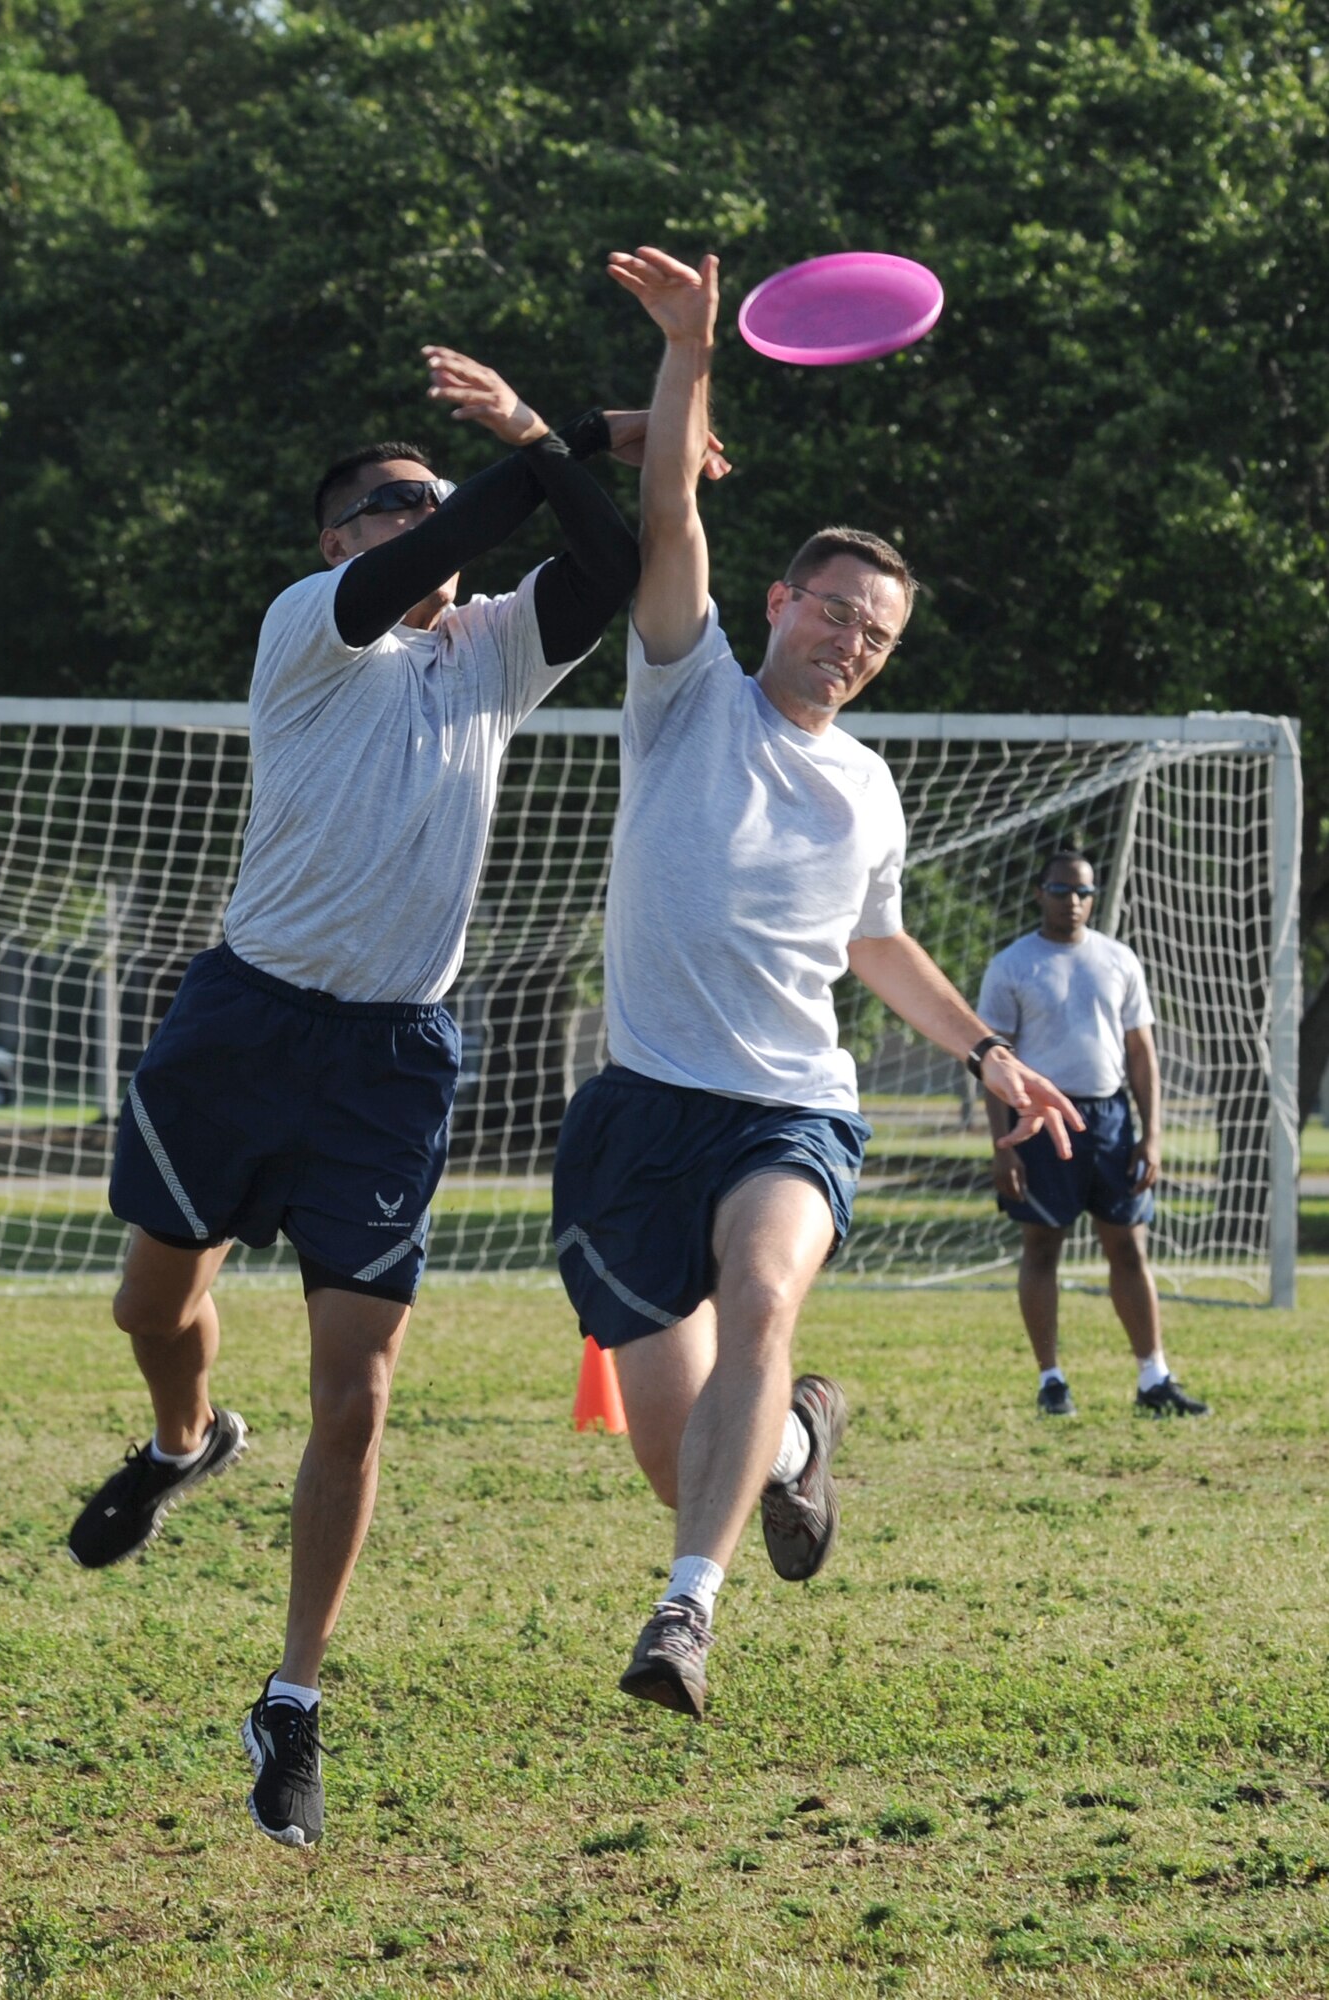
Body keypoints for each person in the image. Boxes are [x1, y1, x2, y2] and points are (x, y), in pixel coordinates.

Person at [66, 345, 667, 1847]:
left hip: (394, 1060)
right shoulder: (310, 632)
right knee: (153, 1310)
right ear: (338, 543)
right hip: (242, 1023)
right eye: (392, 503)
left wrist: (554, 440)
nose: (429, 516)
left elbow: (619, 554)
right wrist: (581, 430)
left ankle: (294, 1702)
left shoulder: (494, 651)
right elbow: (465, 530)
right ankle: (183, 1443)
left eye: (434, 490)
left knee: (362, 1390)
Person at [551, 246, 1086, 1721]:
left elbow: (875, 944)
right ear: (779, 600)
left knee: (766, 1283)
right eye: (836, 613)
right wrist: (690, 350)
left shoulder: (868, 790)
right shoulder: (684, 692)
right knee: (681, 1449)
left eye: (879, 635)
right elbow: (667, 510)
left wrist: (987, 1051)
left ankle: (685, 1616)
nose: (853, 643)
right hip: (642, 1110)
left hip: (789, 1108)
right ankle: (795, 1446)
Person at [977, 847, 1210, 1420]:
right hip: (1041, 1122)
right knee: (1043, 1247)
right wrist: (1002, 1146)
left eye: (1083, 892)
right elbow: (995, 1065)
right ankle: (1051, 1381)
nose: (1073, 902)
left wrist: (1150, 1135)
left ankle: (1154, 1377)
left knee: (1128, 1247)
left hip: (1109, 1121)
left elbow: (1141, 1052)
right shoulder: (1012, 965)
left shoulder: (1119, 959)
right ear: (1039, 893)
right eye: (1061, 891)